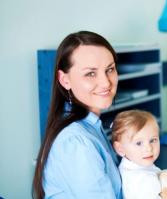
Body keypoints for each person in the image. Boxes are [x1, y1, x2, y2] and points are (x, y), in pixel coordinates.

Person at [32, 31, 122, 198]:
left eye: (110, 69)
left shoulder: (90, 126)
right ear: (65, 80)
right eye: (90, 73)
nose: (106, 82)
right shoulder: (76, 142)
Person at [111, 110, 167, 199]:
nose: (149, 148)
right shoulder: (141, 180)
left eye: (152, 140)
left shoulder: (136, 165)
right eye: (139, 143)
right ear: (120, 149)